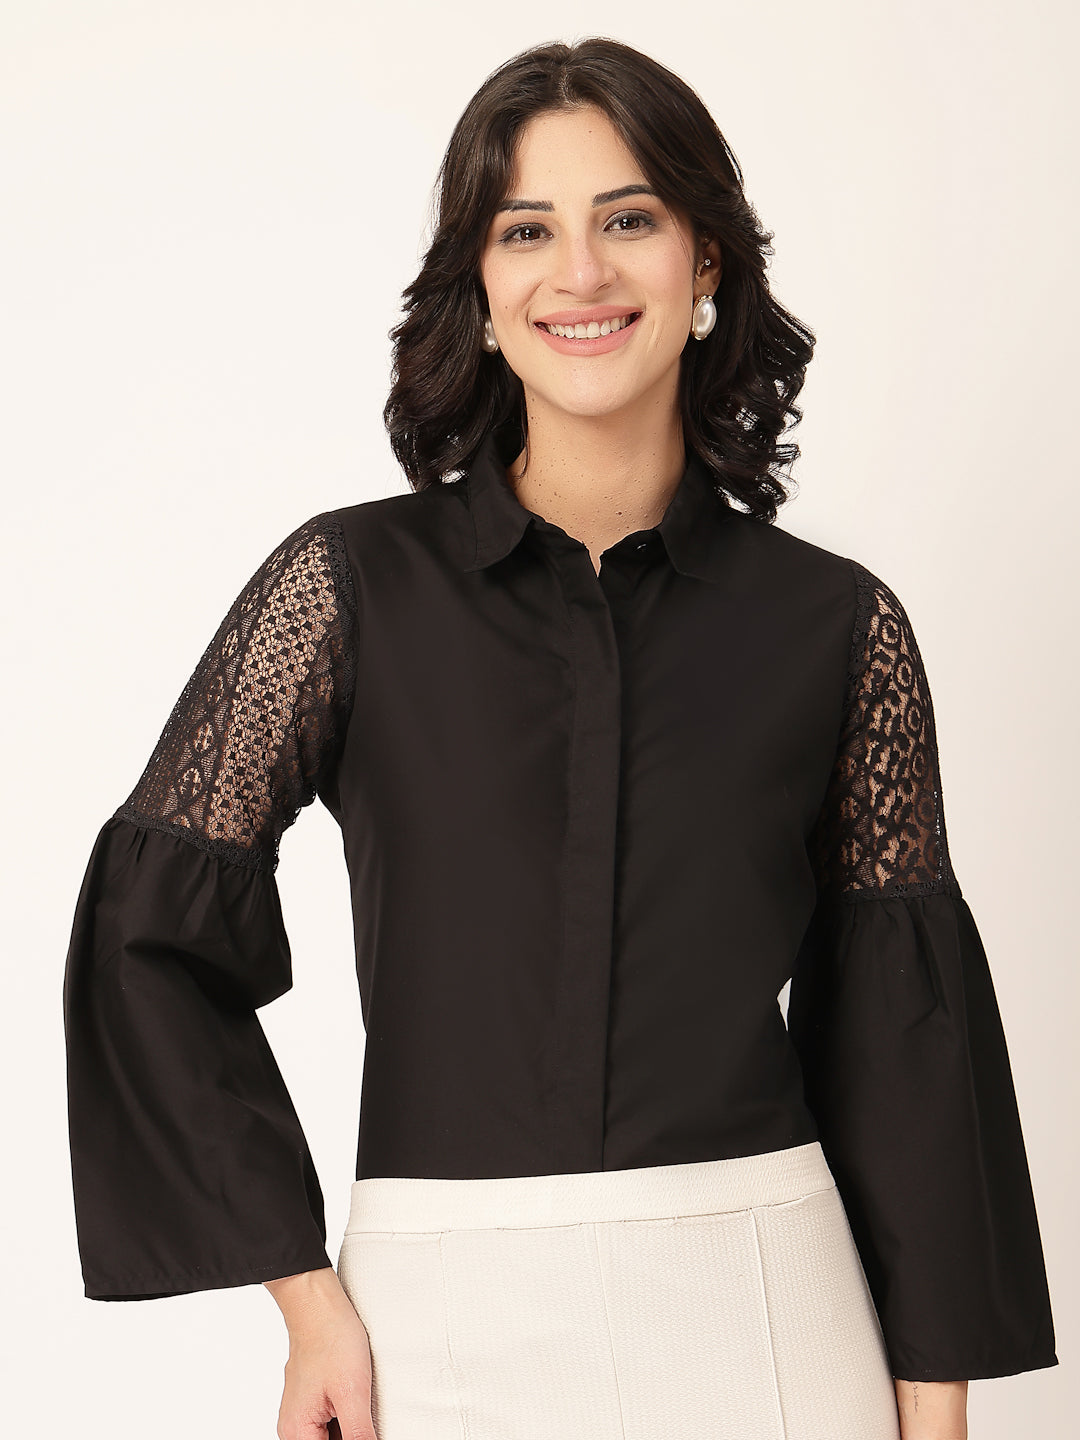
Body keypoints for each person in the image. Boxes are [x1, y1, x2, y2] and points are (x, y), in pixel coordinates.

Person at [62, 35, 1056, 1440]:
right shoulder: (347, 590)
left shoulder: (838, 627)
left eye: (628, 219)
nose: (578, 273)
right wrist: (305, 1298)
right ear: (479, 286)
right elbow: (145, 944)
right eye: (526, 230)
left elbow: (903, 1041)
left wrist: (934, 1407)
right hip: (429, 1335)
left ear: (706, 265)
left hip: (768, 1320)